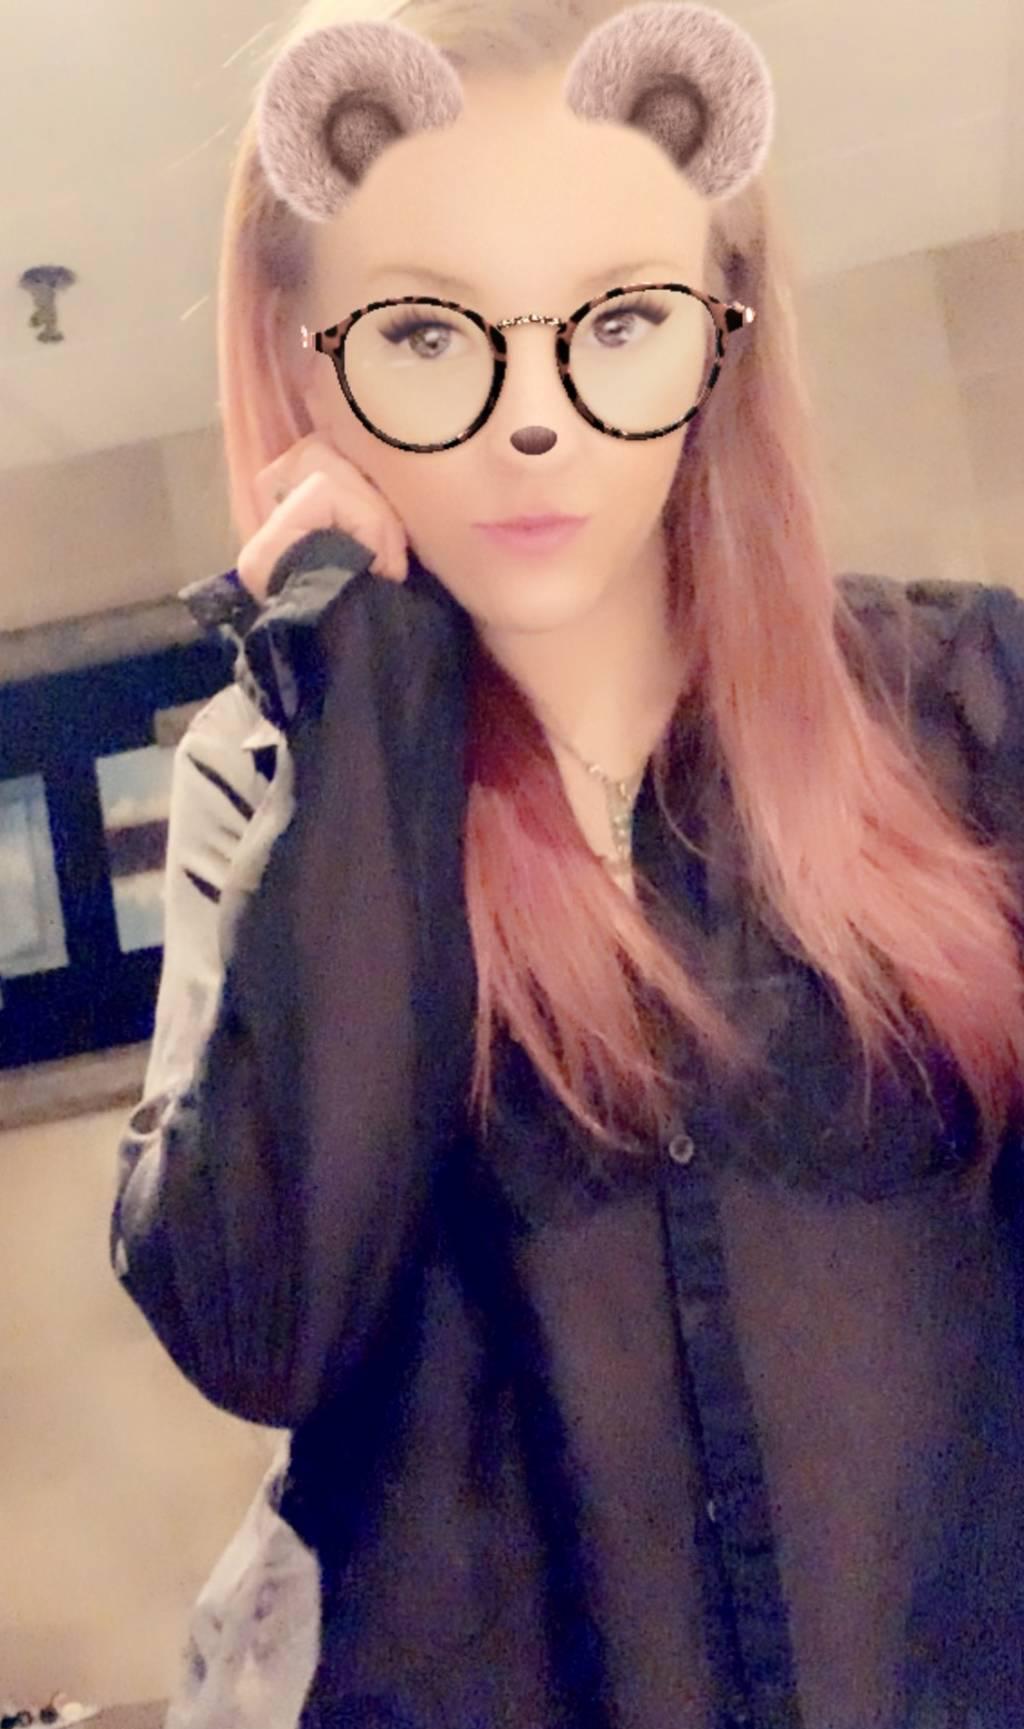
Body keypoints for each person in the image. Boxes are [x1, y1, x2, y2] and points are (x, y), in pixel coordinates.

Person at [111, 0, 1024, 1724]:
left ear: (720, 329)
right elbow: (261, 1320)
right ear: (309, 356)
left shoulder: (971, 707)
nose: (533, 419)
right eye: (426, 331)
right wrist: (375, 686)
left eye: (616, 319)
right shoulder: (274, 780)